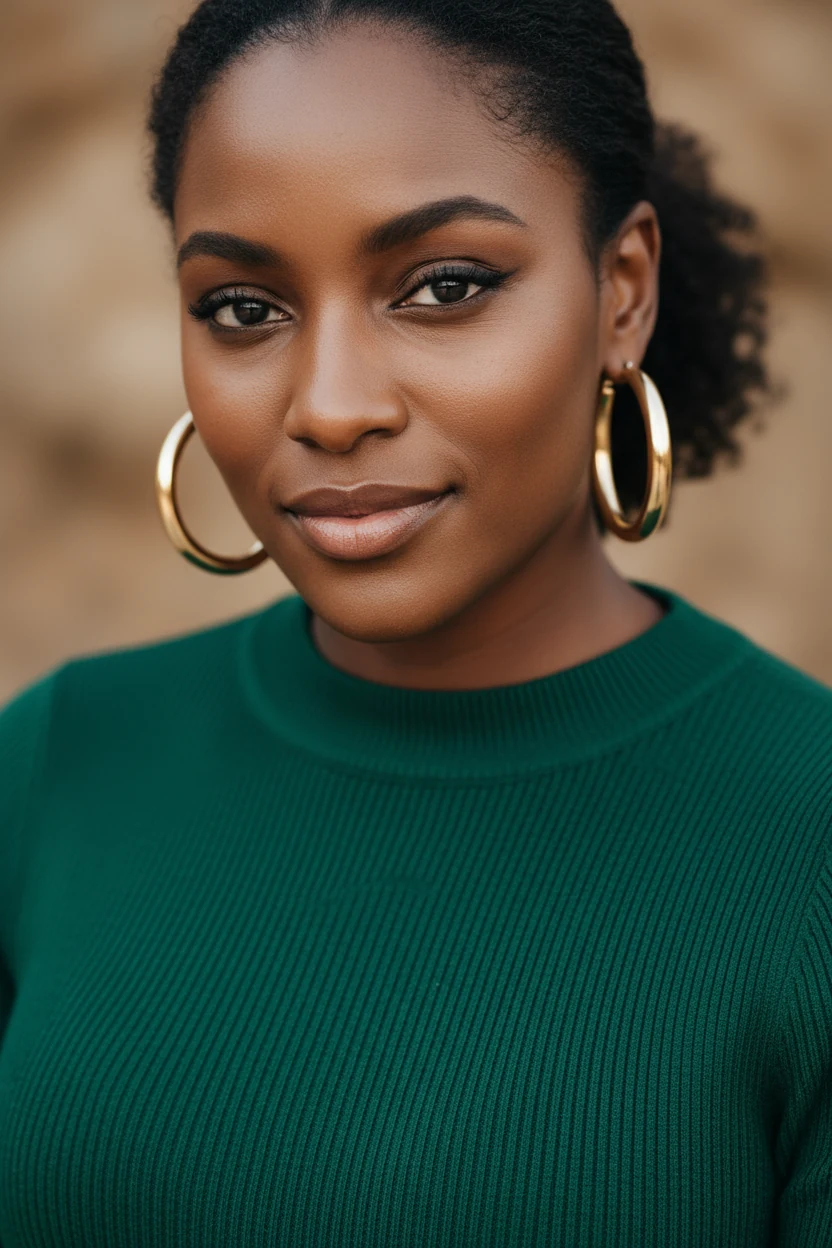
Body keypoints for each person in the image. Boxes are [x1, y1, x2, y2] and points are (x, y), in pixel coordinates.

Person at [0, 0, 829, 1243]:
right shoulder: (58, 766)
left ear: (621, 292)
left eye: (444, 287)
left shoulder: (805, 840)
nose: (330, 406)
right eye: (243, 308)